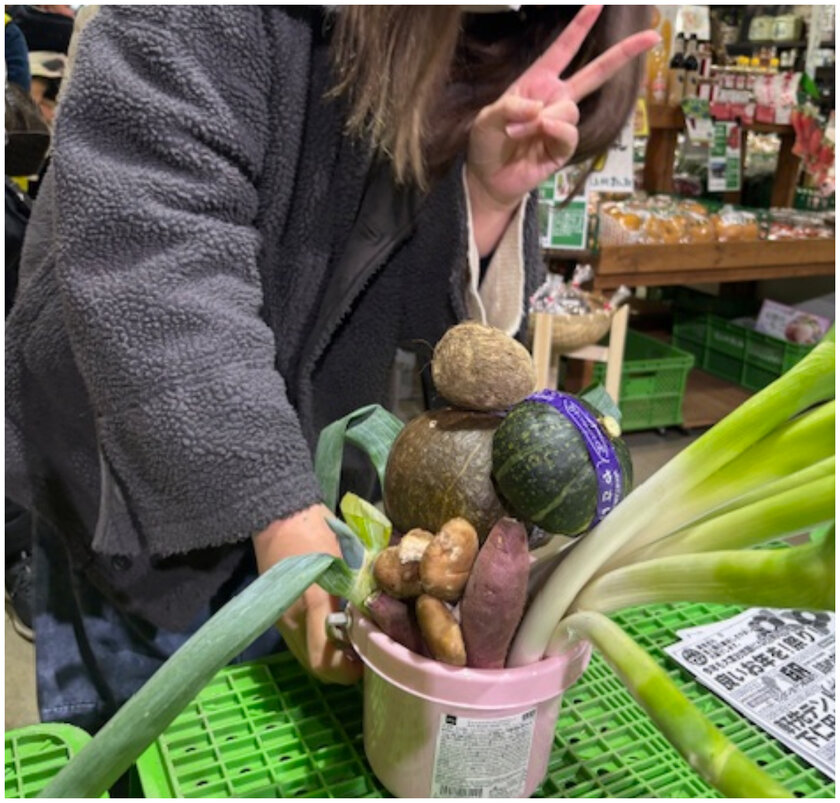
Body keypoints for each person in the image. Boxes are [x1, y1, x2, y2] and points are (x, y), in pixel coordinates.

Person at [6, 5, 658, 734]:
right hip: (131, 470)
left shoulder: (466, 50)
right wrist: (279, 509)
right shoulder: (195, 19)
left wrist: (485, 198)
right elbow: (156, 266)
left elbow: (410, 311)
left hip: (303, 482)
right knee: (146, 729)